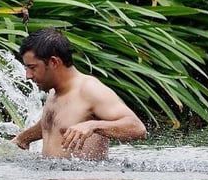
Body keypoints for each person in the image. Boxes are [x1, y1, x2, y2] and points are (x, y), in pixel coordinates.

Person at [11, 28, 145, 159]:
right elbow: (55, 124)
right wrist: (23, 138)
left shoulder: (91, 90)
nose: (28, 76)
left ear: (54, 62)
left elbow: (137, 128)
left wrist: (94, 126)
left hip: (86, 179)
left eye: (32, 68)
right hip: (52, 177)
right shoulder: (53, 92)